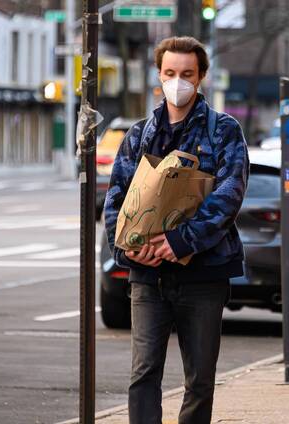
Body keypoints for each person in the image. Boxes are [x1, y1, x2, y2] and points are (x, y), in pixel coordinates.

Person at [103, 36, 249, 424]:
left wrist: (179, 240)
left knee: (200, 379)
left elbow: (229, 196)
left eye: (186, 74)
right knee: (143, 374)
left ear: (200, 77)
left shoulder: (224, 131)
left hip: (204, 276)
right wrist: (127, 249)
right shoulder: (138, 136)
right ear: (159, 75)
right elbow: (115, 199)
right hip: (147, 276)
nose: (178, 81)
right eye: (170, 73)